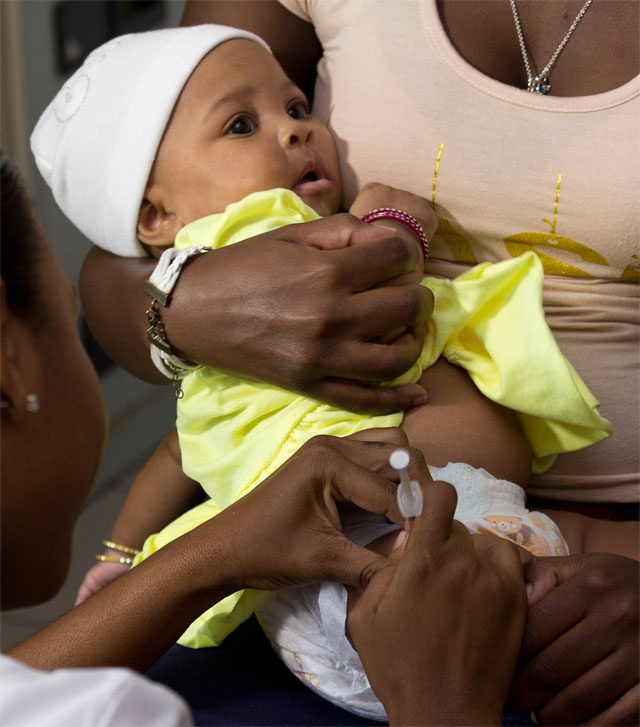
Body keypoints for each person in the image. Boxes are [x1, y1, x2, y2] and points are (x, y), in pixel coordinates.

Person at [32, 3, 640, 722]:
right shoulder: (254, 235)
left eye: (296, 102)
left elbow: (175, 451)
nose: (295, 125)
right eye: (240, 125)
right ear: (153, 217)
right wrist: (184, 301)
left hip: (507, 525)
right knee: (472, 617)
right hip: (362, 545)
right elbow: (114, 284)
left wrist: (123, 553)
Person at [0, 151, 531, 726]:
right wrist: (445, 703)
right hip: (385, 601)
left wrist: (202, 554)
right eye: (72, 314)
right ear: (10, 364)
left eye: (298, 105)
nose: (294, 131)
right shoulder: (113, 714)